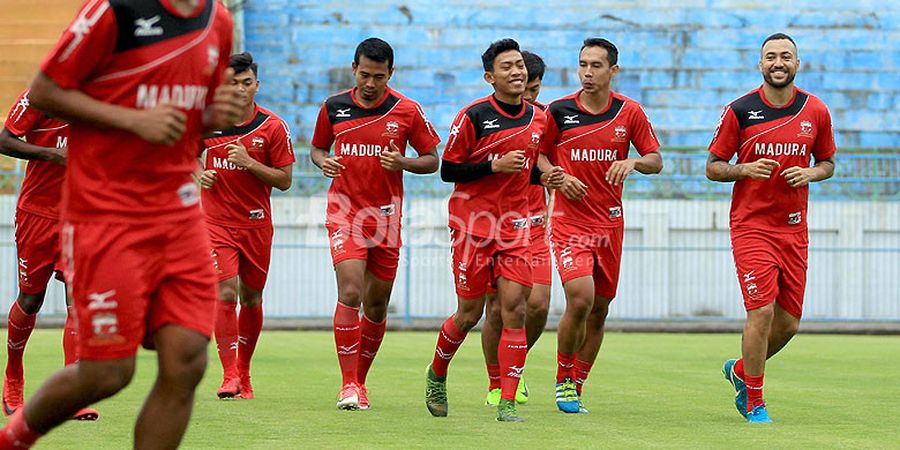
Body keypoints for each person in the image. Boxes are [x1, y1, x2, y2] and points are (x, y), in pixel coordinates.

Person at [0, 0, 242, 448]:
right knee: (109, 372)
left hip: (178, 212)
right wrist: (133, 120)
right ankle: (11, 439)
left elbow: (190, 119)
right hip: (106, 214)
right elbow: (45, 91)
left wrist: (214, 117)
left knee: (187, 359)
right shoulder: (114, 10)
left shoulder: (219, 20)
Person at [424, 38, 562, 422]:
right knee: (469, 313)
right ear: (490, 77)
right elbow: (448, 170)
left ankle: (506, 400)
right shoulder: (473, 116)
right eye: (507, 67)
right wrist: (492, 166)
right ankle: (437, 373)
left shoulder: (540, 119)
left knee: (514, 309)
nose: (517, 71)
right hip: (473, 227)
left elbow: (529, 168)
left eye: (519, 65)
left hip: (516, 228)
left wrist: (546, 174)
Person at [707, 32, 835, 424]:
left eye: (785, 56)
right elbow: (712, 167)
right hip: (751, 226)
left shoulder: (816, 111)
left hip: (794, 229)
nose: (778, 63)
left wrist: (810, 172)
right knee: (760, 311)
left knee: (789, 323)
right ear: (759, 64)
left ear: (798, 64)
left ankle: (741, 372)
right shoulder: (740, 110)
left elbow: (828, 163)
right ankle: (755, 401)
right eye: (770, 57)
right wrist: (744, 169)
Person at [310, 37, 441, 411]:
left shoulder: (408, 111)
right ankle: (348, 384)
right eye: (365, 74)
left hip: (385, 218)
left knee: (377, 305)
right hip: (344, 212)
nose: (370, 83)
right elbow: (318, 148)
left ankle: (361, 381)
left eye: (379, 77)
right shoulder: (333, 107)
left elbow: (432, 160)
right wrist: (323, 162)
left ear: (390, 74)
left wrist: (404, 163)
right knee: (350, 291)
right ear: (354, 69)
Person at [539, 38, 663, 414]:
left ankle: (577, 383)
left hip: (609, 224)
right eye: (583, 65)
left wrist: (634, 163)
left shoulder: (630, 112)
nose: (588, 73)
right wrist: (557, 176)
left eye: (596, 66)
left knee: (600, 309)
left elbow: (656, 159)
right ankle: (562, 379)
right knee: (580, 297)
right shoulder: (559, 111)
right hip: (568, 223)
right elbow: (539, 157)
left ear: (613, 71)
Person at [199, 52, 294, 400]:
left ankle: (244, 373)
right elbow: (183, 154)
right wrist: (199, 174)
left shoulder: (273, 126)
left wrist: (249, 163)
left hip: (255, 224)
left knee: (251, 299)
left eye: (246, 83)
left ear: (257, 85)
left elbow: (284, 180)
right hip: (214, 223)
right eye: (232, 83)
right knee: (225, 293)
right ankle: (228, 375)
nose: (240, 89)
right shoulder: (207, 121)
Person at [0, 89, 98, 421]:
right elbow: (5, 141)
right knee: (31, 300)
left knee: (78, 298)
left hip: (81, 215)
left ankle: (72, 394)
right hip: (37, 214)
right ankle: (13, 376)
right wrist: (53, 155)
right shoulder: (41, 95)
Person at [480, 50, 552, 407]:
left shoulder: (542, 119)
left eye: (534, 90)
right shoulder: (490, 117)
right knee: (497, 309)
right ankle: (497, 381)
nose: (528, 97)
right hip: (498, 225)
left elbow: (554, 159)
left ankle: (514, 366)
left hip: (535, 227)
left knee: (537, 304)